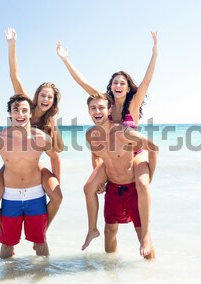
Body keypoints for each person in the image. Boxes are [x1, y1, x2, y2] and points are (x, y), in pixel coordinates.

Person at [56, 32, 158, 250]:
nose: (117, 85)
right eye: (114, 83)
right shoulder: (105, 103)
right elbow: (83, 83)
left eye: (122, 82)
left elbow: (147, 80)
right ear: (110, 87)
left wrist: (155, 51)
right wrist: (66, 59)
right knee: (89, 187)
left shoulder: (133, 104)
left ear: (128, 87)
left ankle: (146, 235)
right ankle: (92, 229)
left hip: (133, 153)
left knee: (141, 184)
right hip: (110, 156)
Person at [0, 28, 63, 237]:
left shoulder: (49, 121)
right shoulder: (24, 104)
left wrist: (53, 123)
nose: (46, 100)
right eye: (44, 95)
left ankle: (42, 227)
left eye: (51, 98)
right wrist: (12, 45)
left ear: (54, 102)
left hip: (34, 164)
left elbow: (59, 150)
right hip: (11, 161)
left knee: (57, 196)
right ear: (37, 96)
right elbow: (14, 74)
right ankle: (9, 232)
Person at [85, 93, 158, 259]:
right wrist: (99, 180)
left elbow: (153, 147)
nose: (97, 111)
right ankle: (110, 271)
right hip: (112, 187)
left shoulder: (122, 133)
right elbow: (95, 155)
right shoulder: (91, 135)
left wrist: (149, 175)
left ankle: (152, 273)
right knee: (109, 231)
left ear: (109, 109)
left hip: (132, 188)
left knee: (141, 235)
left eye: (101, 107)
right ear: (89, 111)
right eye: (93, 108)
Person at [0, 94, 58, 258]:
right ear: (10, 113)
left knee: (40, 243)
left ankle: (43, 276)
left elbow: (55, 157)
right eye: (16, 110)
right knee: (7, 246)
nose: (20, 115)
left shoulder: (41, 138)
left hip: (36, 193)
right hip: (10, 195)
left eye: (25, 110)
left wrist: (57, 178)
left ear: (31, 113)